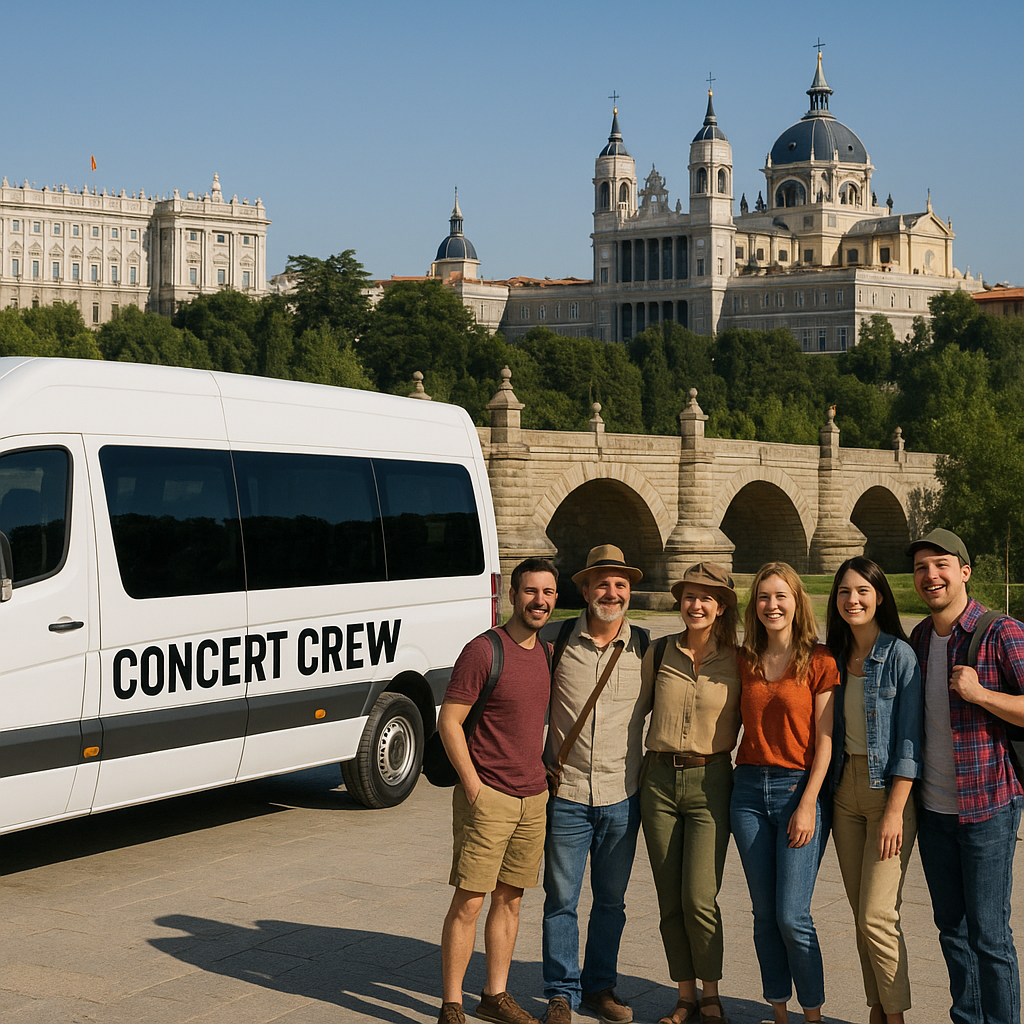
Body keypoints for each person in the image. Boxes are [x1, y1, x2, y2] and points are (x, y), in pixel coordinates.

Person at [907, 528, 1024, 1024]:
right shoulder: (918, 638)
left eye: (941, 565)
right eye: (920, 569)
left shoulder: (1002, 632)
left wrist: (980, 696)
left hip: (988, 808)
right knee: (950, 930)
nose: (930, 576)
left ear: (964, 571)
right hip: (934, 811)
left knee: (990, 935)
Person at [438, 557, 558, 1024]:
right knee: (469, 900)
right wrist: (472, 786)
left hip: (533, 799)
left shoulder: (546, 653)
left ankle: (495, 994)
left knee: (510, 899)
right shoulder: (485, 650)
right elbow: (449, 720)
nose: (540, 601)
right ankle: (452, 1003)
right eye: (531, 591)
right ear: (513, 595)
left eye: (548, 593)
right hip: (488, 797)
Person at [541, 544, 651, 1024]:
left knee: (611, 901)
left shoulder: (648, 647)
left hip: (622, 796)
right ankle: (561, 992)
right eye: (602, 583)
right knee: (561, 900)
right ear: (584, 589)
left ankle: (600, 988)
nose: (612, 592)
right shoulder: (555, 640)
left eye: (621, 584)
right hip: (565, 794)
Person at [729, 561, 838, 1024]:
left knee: (793, 916)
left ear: (797, 602)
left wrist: (810, 802)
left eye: (781, 596)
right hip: (749, 791)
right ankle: (778, 1011)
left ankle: (811, 1013)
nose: (772, 605)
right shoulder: (744, 658)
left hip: (799, 790)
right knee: (763, 914)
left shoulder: (819, 660)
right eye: (763, 597)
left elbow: (826, 739)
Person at [639, 563, 741, 1024]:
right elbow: (630, 712)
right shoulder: (659, 653)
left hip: (711, 781)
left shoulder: (739, 660)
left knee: (700, 897)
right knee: (669, 898)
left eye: (706, 597)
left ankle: (712, 992)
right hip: (658, 780)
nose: (696, 605)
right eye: (688, 596)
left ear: (721, 607)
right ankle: (684, 995)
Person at [825, 557, 922, 1024]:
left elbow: (909, 741)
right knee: (861, 916)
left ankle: (896, 1017)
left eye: (862, 591)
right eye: (844, 592)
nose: (853, 600)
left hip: (889, 795)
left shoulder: (900, 656)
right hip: (845, 794)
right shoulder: (834, 656)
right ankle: (877, 1010)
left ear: (880, 596)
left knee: (877, 917)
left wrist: (894, 813)